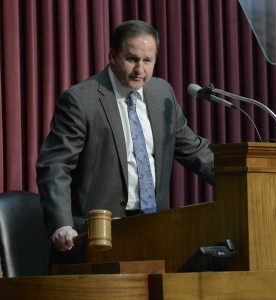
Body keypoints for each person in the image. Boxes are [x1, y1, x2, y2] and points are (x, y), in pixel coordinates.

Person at [36, 20, 215, 265]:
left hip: (154, 230)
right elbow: (56, 167)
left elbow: (194, 150)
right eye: (132, 59)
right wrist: (62, 224)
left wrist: (242, 177)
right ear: (112, 56)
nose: (140, 69)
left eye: (148, 61)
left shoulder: (162, 94)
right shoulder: (81, 100)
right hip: (95, 237)